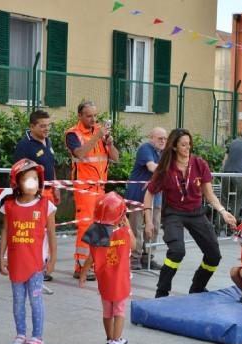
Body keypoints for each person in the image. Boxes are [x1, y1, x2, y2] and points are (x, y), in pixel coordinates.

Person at [144, 128, 237, 298]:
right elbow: (149, 193)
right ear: (174, 147)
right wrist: (148, 221)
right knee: (177, 251)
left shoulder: (199, 164)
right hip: (173, 213)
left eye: (189, 144)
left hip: (196, 212)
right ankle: (162, 290)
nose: (188, 148)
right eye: (183, 145)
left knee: (214, 255)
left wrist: (223, 211)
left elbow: (209, 193)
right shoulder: (165, 168)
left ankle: (198, 287)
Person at [0, 159, 57, 344]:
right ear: (16, 182)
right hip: (16, 262)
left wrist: (53, 260)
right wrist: (1, 257)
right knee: (17, 300)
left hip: (36, 264)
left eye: (34, 178)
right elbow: (5, 231)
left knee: (35, 300)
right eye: (26, 179)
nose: (31, 183)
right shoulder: (9, 205)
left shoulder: (45, 205)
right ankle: (20, 335)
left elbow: (51, 233)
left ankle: (37, 338)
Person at [65, 101, 119, 280]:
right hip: (84, 188)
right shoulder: (73, 133)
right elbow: (79, 153)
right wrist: (97, 136)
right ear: (80, 116)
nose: (93, 119)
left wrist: (109, 143)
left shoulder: (99, 133)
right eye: (89, 116)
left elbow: (116, 158)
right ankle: (80, 267)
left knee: (101, 227)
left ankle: (95, 264)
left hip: (100, 188)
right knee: (85, 227)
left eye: (95, 116)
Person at [78, 192, 136, 344]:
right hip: (121, 280)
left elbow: (90, 258)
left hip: (104, 280)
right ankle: (116, 340)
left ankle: (110, 339)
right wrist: (128, 226)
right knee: (119, 311)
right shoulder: (124, 232)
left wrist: (83, 275)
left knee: (107, 312)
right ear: (121, 215)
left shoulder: (97, 233)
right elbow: (134, 245)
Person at [13, 110, 59, 282]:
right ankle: (34, 266)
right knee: (37, 231)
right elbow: (19, 170)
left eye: (48, 126)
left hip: (49, 193)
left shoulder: (48, 141)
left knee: (49, 232)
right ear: (32, 126)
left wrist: (55, 186)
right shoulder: (24, 145)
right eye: (42, 126)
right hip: (35, 195)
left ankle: (46, 264)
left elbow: (50, 165)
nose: (46, 129)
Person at [125, 127, 167, 270]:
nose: (163, 141)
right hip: (138, 195)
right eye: (160, 138)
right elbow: (151, 167)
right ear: (152, 138)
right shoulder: (146, 148)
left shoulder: (162, 153)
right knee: (136, 227)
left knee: (154, 227)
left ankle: (148, 257)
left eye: (165, 138)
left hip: (155, 196)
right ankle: (134, 258)